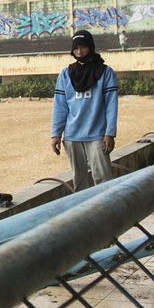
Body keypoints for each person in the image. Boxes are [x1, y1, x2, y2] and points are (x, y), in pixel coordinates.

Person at [50, 30, 118, 190]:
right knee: (79, 181)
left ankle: (107, 212)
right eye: (76, 48)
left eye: (83, 47)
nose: (79, 52)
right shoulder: (65, 74)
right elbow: (60, 106)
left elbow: (111, 105)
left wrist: (110, 133)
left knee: (103, 179)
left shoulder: (105, 73)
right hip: (72, 137)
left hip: (97, 136)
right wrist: (56, 134)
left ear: (91, 47)